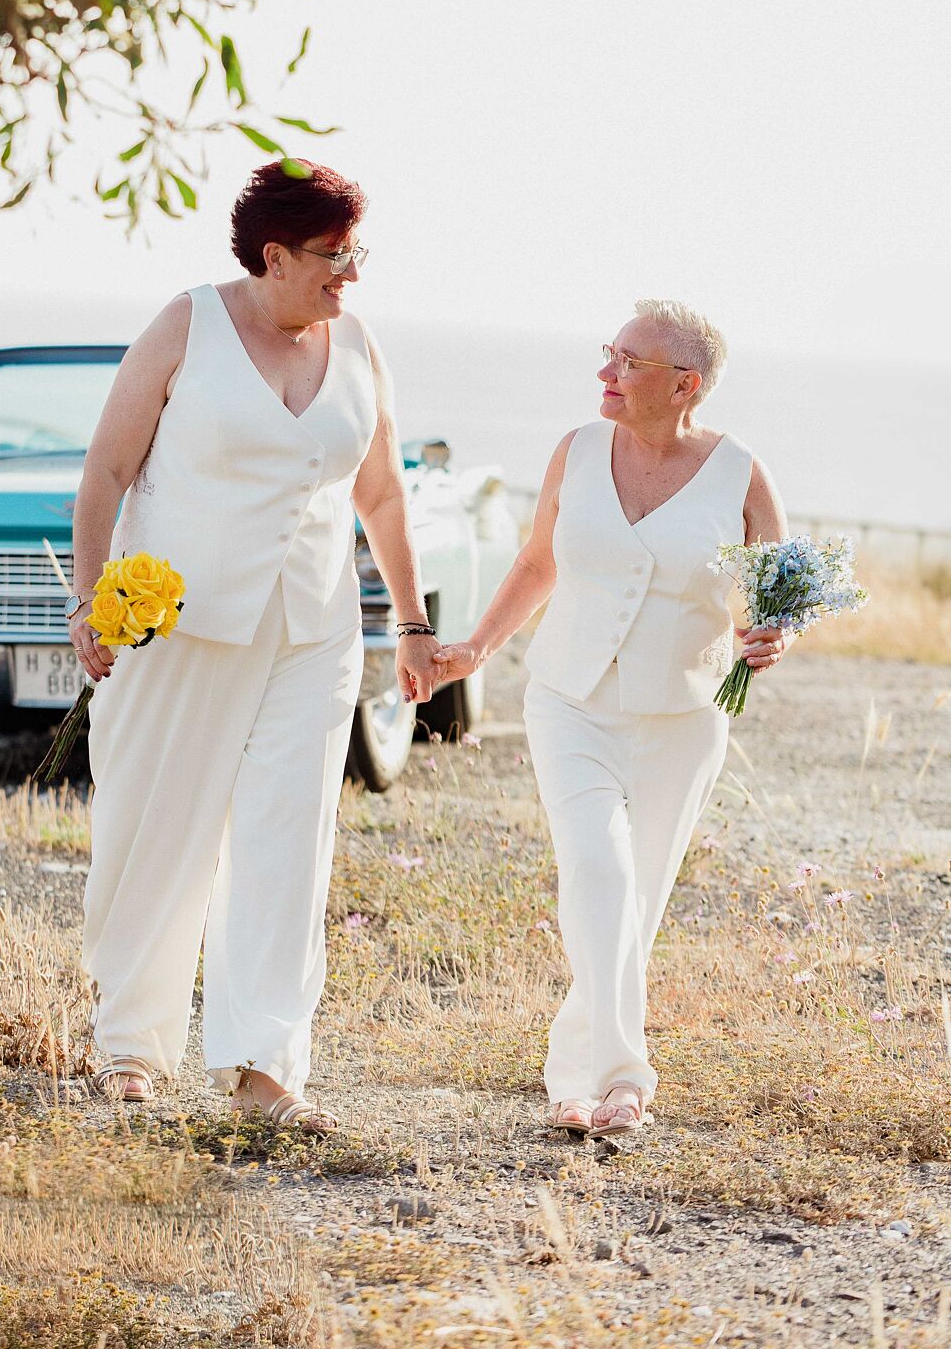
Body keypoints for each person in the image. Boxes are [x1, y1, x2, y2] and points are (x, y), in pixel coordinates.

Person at [68, 161, 439, 1132]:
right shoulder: (185, 324)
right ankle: (127, 1049)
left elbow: (383, 490)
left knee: (286, 840)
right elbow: (107, 467)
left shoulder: (357, 342)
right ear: (273, 255)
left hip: (312, 630)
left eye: (357, 252)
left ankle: (264, 1068)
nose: (348, 274)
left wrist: (409, 620)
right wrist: (88, 599)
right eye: (332, 255)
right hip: (180, 619)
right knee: (161, 824)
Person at [434, 300, 787, 1139]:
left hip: (681, 715)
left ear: (683, 384)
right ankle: (623, 1078)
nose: (605, 373)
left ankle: (575, 1072)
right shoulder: (577, 449)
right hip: (568, 702)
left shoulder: (739, 473)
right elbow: (535, 561)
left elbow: (776, 589)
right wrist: (475, 651)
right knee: (598, 872)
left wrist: (770, 633)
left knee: (640, 901)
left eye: (627, 361)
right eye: (608, 354)